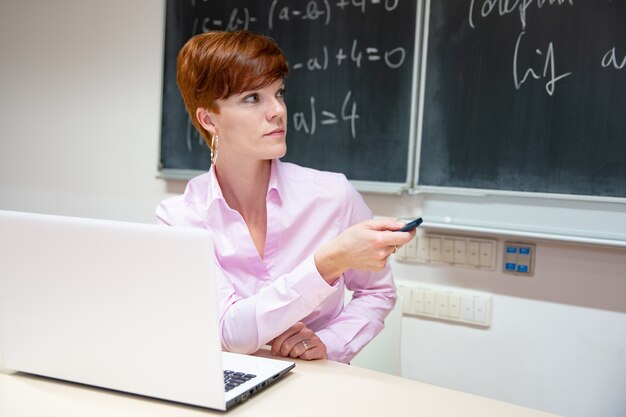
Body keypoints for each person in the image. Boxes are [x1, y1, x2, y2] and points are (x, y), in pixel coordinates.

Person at [156, 30, 415, 364]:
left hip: (315, 384)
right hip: (227, 385)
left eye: (279, 93)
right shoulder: (178, 219)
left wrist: (329, 343)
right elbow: (230, 334)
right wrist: (327, 263)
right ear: (209, 119)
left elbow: (377, 291)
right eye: (252, 98)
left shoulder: (333, 195)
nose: (277, 110)